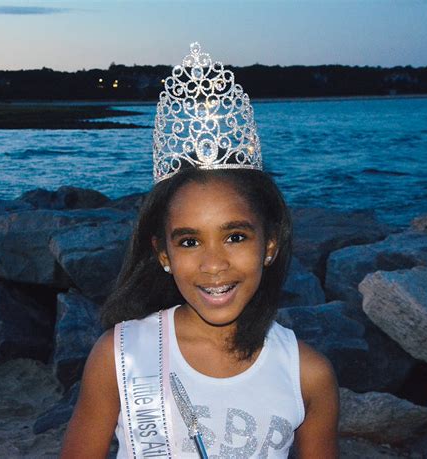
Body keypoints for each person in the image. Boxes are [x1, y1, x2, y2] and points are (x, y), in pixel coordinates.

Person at [60, 43, 339, 459]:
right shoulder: (120, 356)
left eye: (236, 237)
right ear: (163, 254)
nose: (213, 264)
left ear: (270, 245)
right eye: (189, 241)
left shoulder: (309, 375)